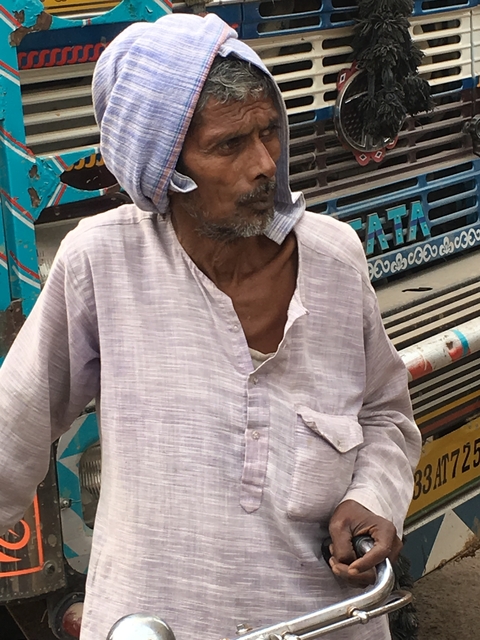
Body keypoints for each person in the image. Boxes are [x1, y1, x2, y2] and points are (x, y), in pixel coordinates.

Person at [0, 12, 421, 640]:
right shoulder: (102, 260)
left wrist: (375, 497)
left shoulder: (335, 257)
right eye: (229, 145)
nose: (262, 164)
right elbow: (15, 426)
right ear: (164, 168)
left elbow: (386, 416)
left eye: (268, 133)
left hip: (323, 619)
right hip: (156, 621)